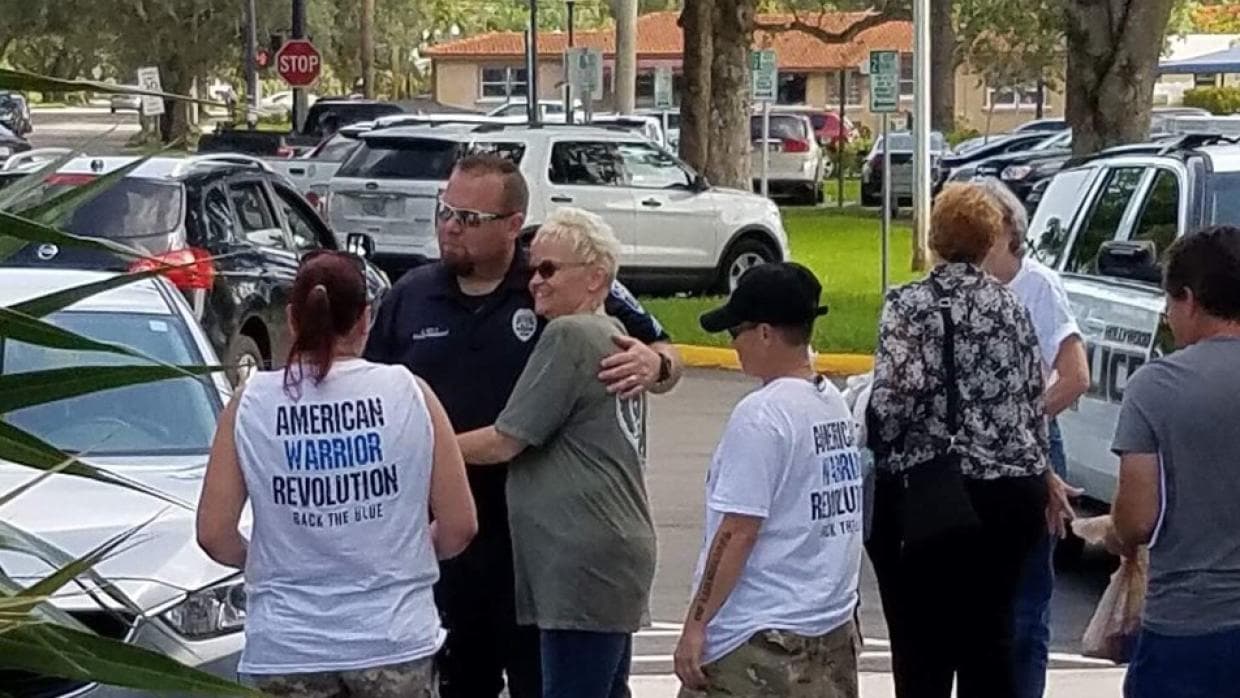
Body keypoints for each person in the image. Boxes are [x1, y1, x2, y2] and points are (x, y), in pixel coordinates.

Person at [363, 153, 682, 698]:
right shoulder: (410, 296)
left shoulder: (549, 284)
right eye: (446, 211)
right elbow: (372, 397)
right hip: (446, 544)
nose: (451, 227)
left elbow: (660, 346)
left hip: (539, 552)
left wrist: (658, 364)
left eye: (469, 218)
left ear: (514, 226)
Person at [197, 250, 478, 697]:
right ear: (365, 318)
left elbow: (214, 533)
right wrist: (410, 555)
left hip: (286, 645)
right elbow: (460, 525)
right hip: (393, 637)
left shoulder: (250, 403)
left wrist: (270, 563)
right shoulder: (410, 393)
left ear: (292, 319)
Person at [454, 207, 656, 698]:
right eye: (532, 269)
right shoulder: (617, 339)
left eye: (548, 269)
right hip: (611, 552)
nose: (535, 282)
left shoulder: (569, 335)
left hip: (580, 559)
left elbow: (507, 439)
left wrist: (424, 444)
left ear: (595, 278)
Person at [866, 183, 1050, 698]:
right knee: (989, 642)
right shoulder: (1011, 307)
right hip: (1016, 494)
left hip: (941, 495)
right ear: (991, 238)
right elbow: (1031, 396)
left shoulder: (910, 304)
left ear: (935, 236)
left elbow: (895, 398)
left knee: (921, 647)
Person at [674, 262, 863, 698]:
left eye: (735, 331)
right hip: (828, 631)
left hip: (757, 641)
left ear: (763, 333)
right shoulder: (831, 402)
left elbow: (738, 532)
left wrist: (696, 625)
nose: (732, 344)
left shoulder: (762, 415)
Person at [1111, 225, 1240, 698]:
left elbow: (1138, 520)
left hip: (1188, 625)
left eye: (1168, 304)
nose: (1168, 318)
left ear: (1189, 298)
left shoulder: (1157, 387)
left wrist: (1111, 533)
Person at [978, 178, 1090, 698]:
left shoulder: (1037, 287)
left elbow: (1074, 376)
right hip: (969, 456)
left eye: (986, 228)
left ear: (1010, 234)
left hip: (1032, 449)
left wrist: (1018, 419)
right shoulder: (957, 287)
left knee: (1026, 602)